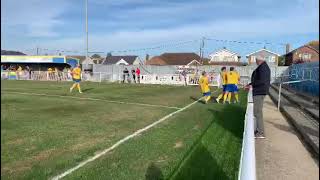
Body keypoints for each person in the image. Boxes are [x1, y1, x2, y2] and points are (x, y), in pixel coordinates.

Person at [245, 56, 270, 139]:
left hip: (259, 92)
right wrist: (250, 84)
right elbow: (257, 80)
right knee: (257, 112)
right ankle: (258, 130)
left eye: (256, 60)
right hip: (259, 91)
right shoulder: (262, 67)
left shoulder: (263, 68)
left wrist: (252, 85)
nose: (256, 62)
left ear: (259, 60)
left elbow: (261, 81)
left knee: (257, 112)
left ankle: (261, 132)